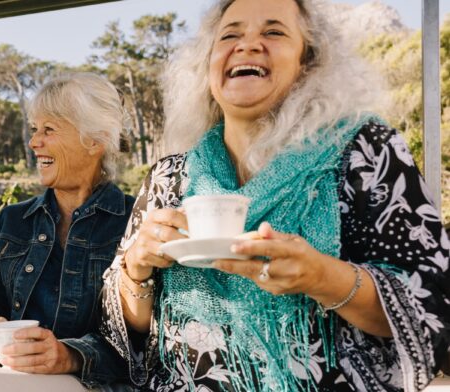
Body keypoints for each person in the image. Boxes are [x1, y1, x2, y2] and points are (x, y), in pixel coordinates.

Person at [101, 0, 450, 391]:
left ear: (308, 63)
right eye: (230, 34)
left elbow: (434, 307)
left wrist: (322, 277)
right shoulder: (169, 178)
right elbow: (128, 332)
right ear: (208, 64)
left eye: (273, 32)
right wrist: (136, 268)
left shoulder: (364, 151)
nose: (247, 45)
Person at [0, 73, 134, 391]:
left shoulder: (136, 220)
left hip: (101, 386)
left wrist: (69, 357)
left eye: (48, 130)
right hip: (16, 380)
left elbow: (146, 347)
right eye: (35, 129)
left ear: (95, 140)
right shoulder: (13, 219)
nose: (34, 142)